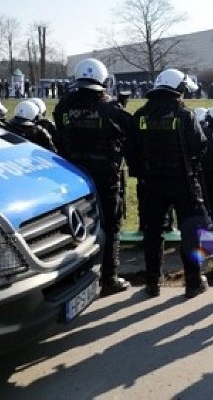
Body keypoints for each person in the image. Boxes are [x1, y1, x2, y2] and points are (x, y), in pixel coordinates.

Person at [53, 58, 133, 296]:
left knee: (74, 226)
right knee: (111, 225)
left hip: (74, 176)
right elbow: (130, 136)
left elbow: (60, 137)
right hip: (105, 176)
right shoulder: (111, 108)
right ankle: (109, 277)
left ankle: (73, 276)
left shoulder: (63, 106)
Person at [129, 69, 210, 298]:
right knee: (190, 233)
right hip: (183, 183)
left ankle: (152, 283)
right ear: (179, 89)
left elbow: (131, 150)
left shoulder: (141, 115)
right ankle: (193, 283)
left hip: (151, 184)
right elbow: (199, 146)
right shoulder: (185, 114)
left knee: (153, 233)